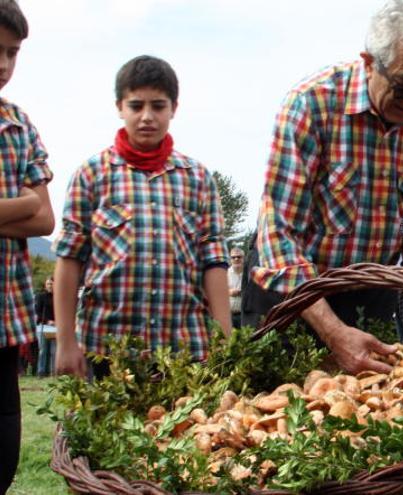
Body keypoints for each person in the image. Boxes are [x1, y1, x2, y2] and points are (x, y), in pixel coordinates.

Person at [251, 0, 403, 374]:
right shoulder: (311, 106)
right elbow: (279, 236)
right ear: (369, 63)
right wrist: (333, 331)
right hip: (296, 297)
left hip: (371, 292)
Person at [54, 55, 232, 380]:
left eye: (158, 106)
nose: (147, 117)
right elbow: (69, 259)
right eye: (136, 106)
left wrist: (225, 338)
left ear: (174, 108)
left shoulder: (198, 179)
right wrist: (66, 341)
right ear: (119, 107)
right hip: (106, 347)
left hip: (183, 350)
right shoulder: (92, 175)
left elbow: (214, 260)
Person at [0, 1, 55, 490]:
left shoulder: (18, 124)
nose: (3, 64)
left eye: (12, 53)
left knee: (3, 457)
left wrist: (24, 208)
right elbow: (29, 207)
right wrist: (17, 202)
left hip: (3, 322)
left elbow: (44, 217)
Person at [35, 276, 56, 376]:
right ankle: (41, 372)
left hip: (56, 327)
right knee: (43, 350)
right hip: (43, 326)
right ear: (45, 285)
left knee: (54, 350)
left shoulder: (58, 297)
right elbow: (37, 312)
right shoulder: (41, 296)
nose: (50, 286)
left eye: (52, 284)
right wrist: (48, 321)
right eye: (48, 284)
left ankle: (54, 372)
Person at [228, 247, 244, 328]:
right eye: (233, 257)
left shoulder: (249, 273)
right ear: (230, 259)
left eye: (239, 257)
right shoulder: (225, 274)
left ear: (243, 258)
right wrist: (229, 292)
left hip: (246, 315)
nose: (236, 259)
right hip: (229, 315)